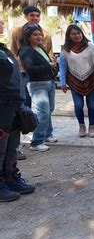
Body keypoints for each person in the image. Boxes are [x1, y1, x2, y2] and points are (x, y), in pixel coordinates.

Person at [0, 20, 35, 202]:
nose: (1, 23)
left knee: (11, 147)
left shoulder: (3, 49)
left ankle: (11, 177)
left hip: (13, 106)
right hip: (2, 107)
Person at [19, 24, 58, 152]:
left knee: (49, 110)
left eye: (40, 34)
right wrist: (49, 65)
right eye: (35, 34)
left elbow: (50, 65)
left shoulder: (40, 48)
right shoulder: (26, 50)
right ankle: (36, 141)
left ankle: (47, 134)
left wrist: (53, 66)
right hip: (37, 84)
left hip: (49, 82)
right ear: (28, 37)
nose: (39, 36)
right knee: (43, 112)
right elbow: (30, 69)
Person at [59, 25, 94, 137]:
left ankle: (92, 126)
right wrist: (62, 82)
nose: (77, 36)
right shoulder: (65, 50)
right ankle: (81, 126)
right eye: (73, 34)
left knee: (91, 105)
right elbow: (62, 66)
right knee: (78, 105)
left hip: (91, 79)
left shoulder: (91, 46)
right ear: (68, 36)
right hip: (74, 81)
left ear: (82, 33)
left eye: (78, 33)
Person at [11, 6, 53, 109]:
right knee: (25, 100)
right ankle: (27, 124)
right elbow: (13, 51)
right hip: (23, 72)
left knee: (46, 106)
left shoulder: (46, 34)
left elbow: (49, 53)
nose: (35, 18)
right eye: (32, 15)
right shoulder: (17, 32)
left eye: (37, 16)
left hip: (41, 73)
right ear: (26, 16)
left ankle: (42, 123)